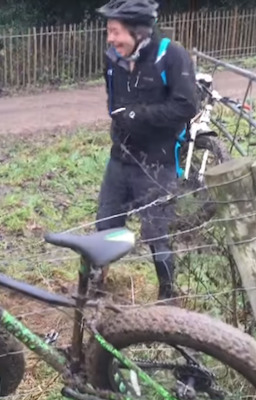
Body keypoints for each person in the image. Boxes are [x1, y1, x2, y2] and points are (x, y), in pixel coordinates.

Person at [94, 0, 198, 301]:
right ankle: (97, 284)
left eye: (116, 32)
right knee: (105, 224)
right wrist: (122, 118)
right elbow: (114, 104)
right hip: (121, 157)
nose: (111, 39)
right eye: (109, 32)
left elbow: (186, 105)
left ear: (138, 33)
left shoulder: (171, 55)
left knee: (156, 233)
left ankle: (168, 294)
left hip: (158, 161)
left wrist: (138, 116)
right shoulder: (113, 59)